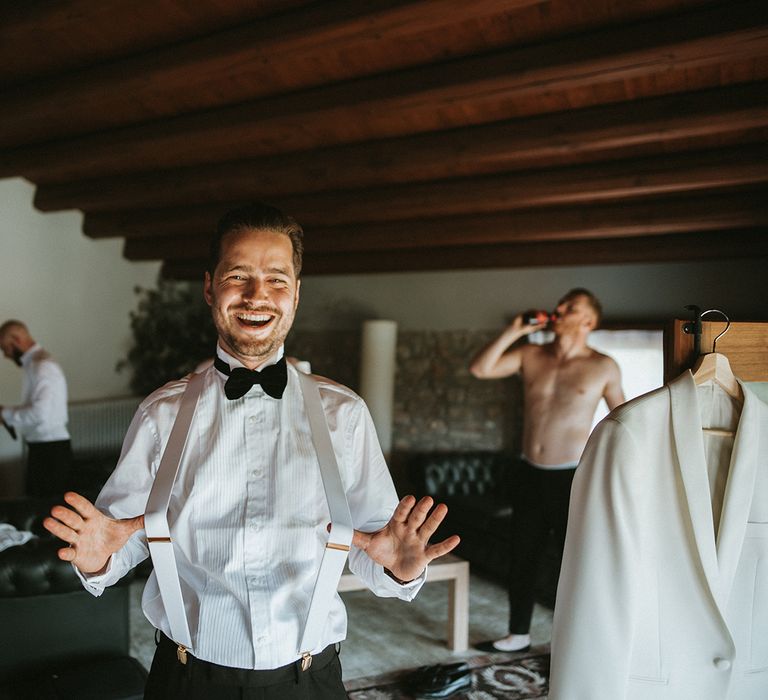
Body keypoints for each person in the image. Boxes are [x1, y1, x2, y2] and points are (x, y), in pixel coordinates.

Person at [43, 203, 459, 700]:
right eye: (237, 275)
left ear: (297, 294)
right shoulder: (161, 415)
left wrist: (398, 568)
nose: (256, 295)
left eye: (277, 279)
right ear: (209, 287)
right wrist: (96, 561)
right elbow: (122, 540)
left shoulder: (344, 414)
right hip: (187, 680)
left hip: (312, 681)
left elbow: (376, 548)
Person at [469, 288, 624, 652]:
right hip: (528, 473)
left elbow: (624, 418)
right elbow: (480, 369)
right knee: (522, 557)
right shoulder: (531, 354)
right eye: (561, 303)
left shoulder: (603, 366)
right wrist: (514, 331)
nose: (560, 309)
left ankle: (575, 643)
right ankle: (518, 634)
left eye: (571, 307)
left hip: (571, 478)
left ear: (589, 321)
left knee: (573, 564)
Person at [0, 320, 71, 497]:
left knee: (46, 511)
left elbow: (40, 413)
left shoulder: (43, 366)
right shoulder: (35, 365)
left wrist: (5, 414)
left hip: (50, 452)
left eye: (5, 348)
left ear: (16, 340)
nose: (5, 355)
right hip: (43, 447)